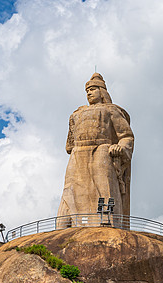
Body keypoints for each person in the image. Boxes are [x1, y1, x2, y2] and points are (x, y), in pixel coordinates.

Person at [57, 73, 134, 224]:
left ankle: (106, 220)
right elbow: (69, 145)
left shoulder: (111, 110)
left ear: (102, 91)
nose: (89, 93)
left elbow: (126, 136)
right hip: (77, 153)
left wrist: (121, 147)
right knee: (70, 189)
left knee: (103, 187)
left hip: (101, 151)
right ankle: (67, 223)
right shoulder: (76, 114)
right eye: (87, 91)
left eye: (92, 89)